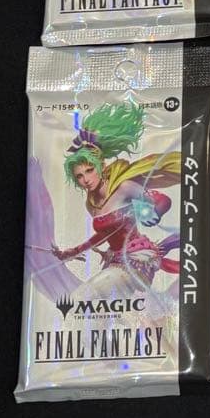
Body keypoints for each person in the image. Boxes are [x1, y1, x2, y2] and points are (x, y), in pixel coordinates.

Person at [52, 103, 180, 294]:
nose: (86, 179)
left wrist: (155, 212)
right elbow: (104, 235)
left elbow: (162, 199)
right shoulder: (91, 204)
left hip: (137, 257)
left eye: (89, 170)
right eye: (79, 176)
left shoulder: (123, 188)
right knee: (102, 306)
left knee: (84, 295)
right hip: (115, 261)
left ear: (101, 166)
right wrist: (73, 251)